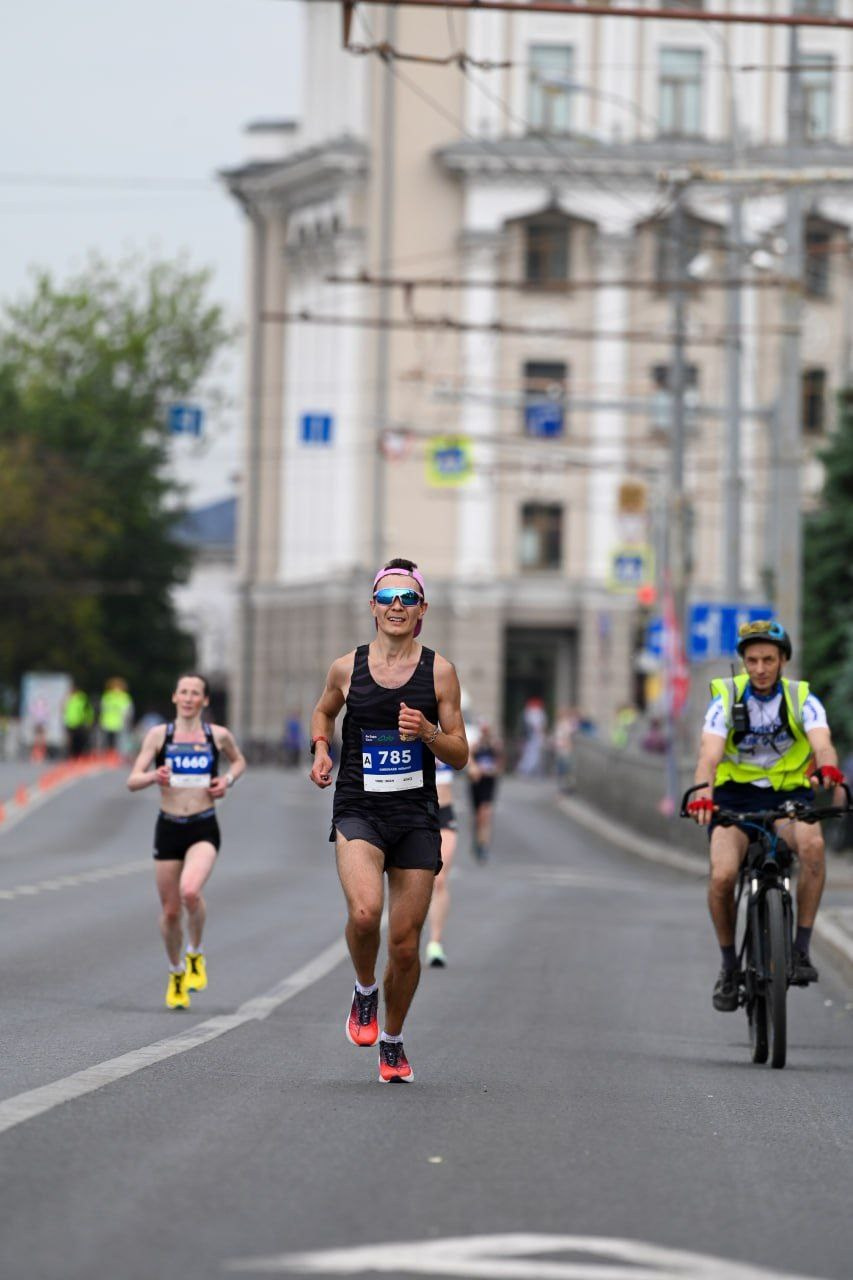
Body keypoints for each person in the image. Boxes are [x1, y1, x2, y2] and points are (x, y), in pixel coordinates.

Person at [309, 558, 468, 1083]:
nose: (396, 606)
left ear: (421, 609)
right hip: (359, 807)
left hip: (416, 815)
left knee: (404, 942)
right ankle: (363, 989)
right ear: (373, 607)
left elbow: (461, 753)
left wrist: (426, 731)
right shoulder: (345, 668)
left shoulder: (439, 672)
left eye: (407, 598)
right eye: (386, 597)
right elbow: (324, 712)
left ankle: (394, 1041)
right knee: (363, 913)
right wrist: (320, 749)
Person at [686, 619, 844, 1012]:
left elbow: (822, 743)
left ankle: (801, 950)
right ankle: (728, 967)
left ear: (783, 660)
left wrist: (828, 768)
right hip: (734, 799)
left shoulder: (801, 697)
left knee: (813, 847)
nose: (759, 668)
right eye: (752, 660)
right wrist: (703, 795)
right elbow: (708, 754)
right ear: (742, 662)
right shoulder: (726, 698)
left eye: (768, 660)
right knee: (722, 875)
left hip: (789, 793)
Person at [127, 673, 246, 1010]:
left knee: (190, 891)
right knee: (169, 911)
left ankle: (195, 953)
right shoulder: (158, 736)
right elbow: (132, 780)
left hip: (203, 826)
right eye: (184, 692)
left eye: (196, 693)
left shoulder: (216, 735)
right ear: (175, 697)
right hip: (168, 827)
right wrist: (154, 775)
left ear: (205, 701)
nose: (190, 697)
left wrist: (227, 781)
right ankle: (176, 971)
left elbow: (239, 761)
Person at [424, 757, 458, 968]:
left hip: (444, 814)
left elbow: (466, 757)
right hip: (416, 813)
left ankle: (435, 943)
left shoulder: (446, 732)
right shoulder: (410, 727)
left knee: (440, 879)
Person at [467, 721, 503, 862]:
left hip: (489, 783)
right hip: (476, 783)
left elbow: (500, 764)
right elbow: (468, 760)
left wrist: (493, 770)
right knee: (477, 815)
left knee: (485, 813)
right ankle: (477, 840)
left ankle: (484, 845)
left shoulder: (495, 746)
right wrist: (475, 767)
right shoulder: (476, 746)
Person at [99, 677, 134, 754]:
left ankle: (118, 756)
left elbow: (128, 711)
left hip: (119, 723)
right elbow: (103, 709)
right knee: (108, 742)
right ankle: (109, 756)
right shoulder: (107, 697)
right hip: (108, 722)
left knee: (119, 742)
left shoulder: (124, 697)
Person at [63, 683, 94, 759]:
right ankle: (72, 755)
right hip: (70, 722)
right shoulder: (69, 698)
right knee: (71, 740)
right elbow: (64, 709)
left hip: (80, 722)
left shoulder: (82, 698)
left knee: (79, 740)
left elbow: (87, 709)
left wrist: (89, 719)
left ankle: (79, 755)